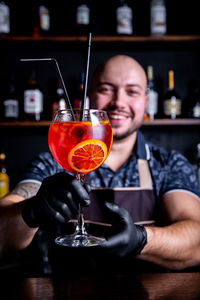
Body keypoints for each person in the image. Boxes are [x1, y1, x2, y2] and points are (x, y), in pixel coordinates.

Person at [0, 55, 200, 274]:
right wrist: (29, 211)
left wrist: (143, 239)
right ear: (89, 97)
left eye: (132, 91)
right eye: (106, 89)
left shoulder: (169, 165)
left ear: (145, 101)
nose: (118, 102)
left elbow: (196, 240)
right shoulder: (52, 162)